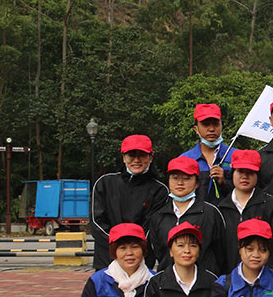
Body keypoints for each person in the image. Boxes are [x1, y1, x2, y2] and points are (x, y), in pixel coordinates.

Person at [90, 134, 167, 270]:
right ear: (124, 157)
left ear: (150, 157)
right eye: (132, 155)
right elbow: (97, 223)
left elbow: (151, 228)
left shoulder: (159, 190)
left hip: (140, 262)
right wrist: (118, 248)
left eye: (142, 155)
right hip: (106, 262)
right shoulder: (105, 183)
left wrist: (133, 251)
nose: (136, 160)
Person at [146, 156, 229, 276]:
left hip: (205, 284)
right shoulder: (158, 216)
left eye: (186, 178)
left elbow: (221, 252)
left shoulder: (210, 213)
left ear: (197, 183)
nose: (180, 183)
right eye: (175, 178)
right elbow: (158, 252)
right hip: (168, 283)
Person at [216, 149, 273, 272]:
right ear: (232, 173)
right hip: (231, 278)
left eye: (250, 172)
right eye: (240, 171)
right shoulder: (221, 209)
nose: (244, 176)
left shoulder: (270, 205)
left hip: (265, 279)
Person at [179, 103, 232, 200]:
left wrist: (225, 182)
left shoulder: (235, 156)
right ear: (196, 129)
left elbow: (246, 194)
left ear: (222, 126)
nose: (211, 129)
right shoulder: (185, 159)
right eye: (205, 124)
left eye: (216, 124)